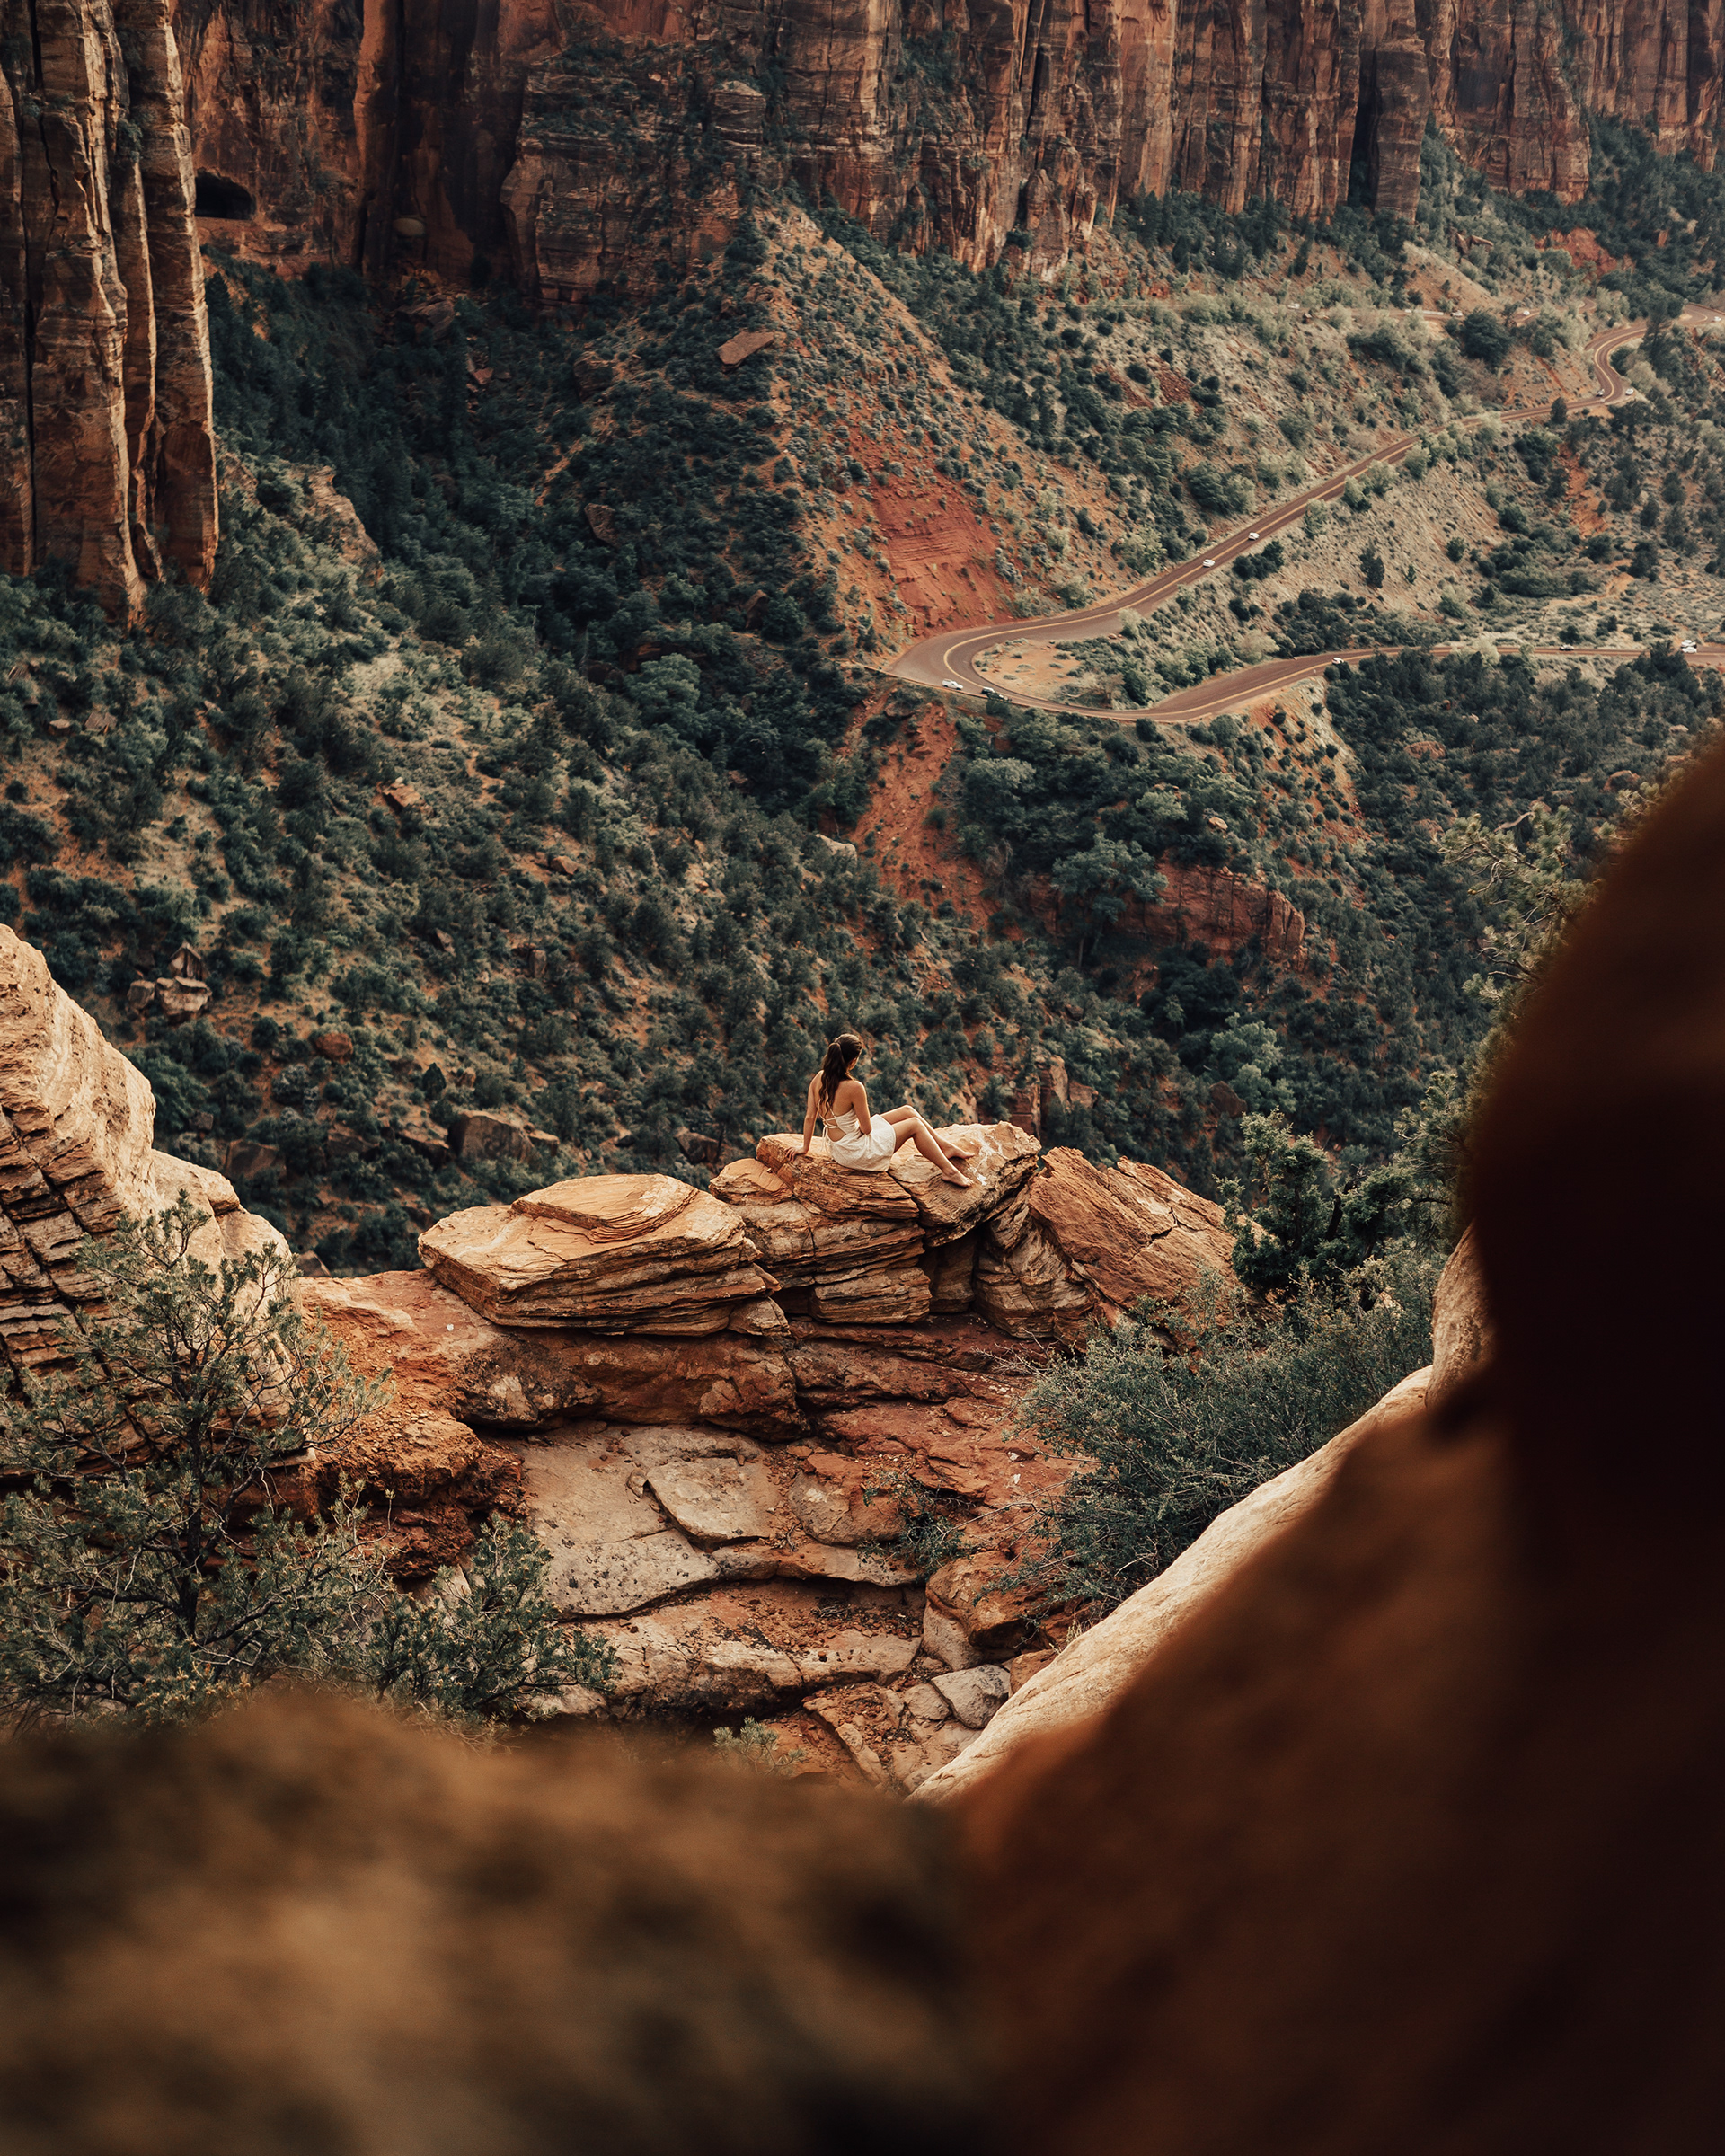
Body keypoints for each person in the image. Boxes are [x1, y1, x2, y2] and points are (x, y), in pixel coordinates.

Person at [803, 1032, 978, 1188]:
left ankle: (946, 1147)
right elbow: (866, 1130)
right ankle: (949, 1171)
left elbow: (810, 1117)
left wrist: (804, 1148)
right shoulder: (854, 1087)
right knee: (914, 1125)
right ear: (852, 1061)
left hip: (840, 1148)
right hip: (855, 1152)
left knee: (908, 1110)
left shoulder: (819, 1077)